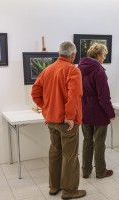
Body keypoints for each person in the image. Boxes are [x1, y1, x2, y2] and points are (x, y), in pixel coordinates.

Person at [31, 41, 86, 199]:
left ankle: (54, 186)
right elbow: (74, 96)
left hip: (52, 120)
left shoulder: (47, 70)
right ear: (73, 55)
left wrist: (46, 108)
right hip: (67, 122)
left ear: (59, 53)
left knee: (55, 153)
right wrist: (69, 116)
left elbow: (35, 92)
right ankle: (69, 191)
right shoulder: (73, 71)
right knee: (70, 155)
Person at [78, 43, 115, 179]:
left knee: (87, 141)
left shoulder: (79, 69)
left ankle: (86, 171)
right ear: (98, 55)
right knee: (99, 143)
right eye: (104, 55)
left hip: (84, 111)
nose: (104, 58)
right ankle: (100, 171)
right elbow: (104, 97)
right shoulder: (99, 71)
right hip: (99, 113)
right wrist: (110, 113)